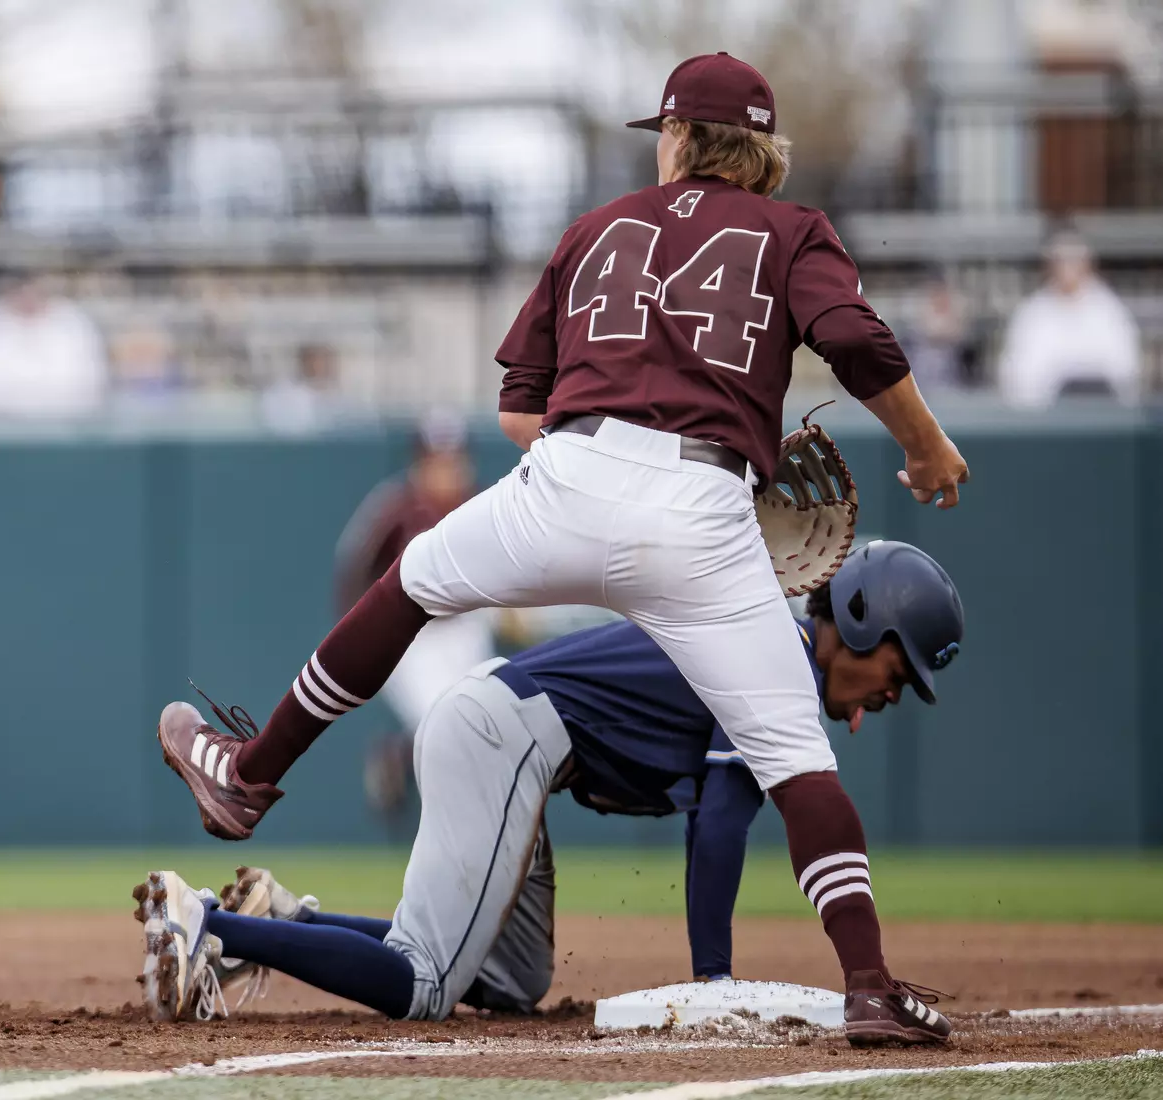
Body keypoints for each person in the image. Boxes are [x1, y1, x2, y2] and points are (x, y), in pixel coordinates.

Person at [153, 52, 969, 1042]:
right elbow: (859, 340)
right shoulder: (794, 229)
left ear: (676, 137)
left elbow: (516, 410)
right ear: (765, 153)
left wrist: (604, 466)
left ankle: (249, 773)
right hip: (703, 503)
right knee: (798, 760)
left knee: (409, 584)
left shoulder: (593, 229)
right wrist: (926, 445)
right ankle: (871, 982)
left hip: (568, 476)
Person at [136, 541, 963, 1047]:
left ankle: (284, 924)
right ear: (861, 622)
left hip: (513, 740)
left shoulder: (763, 645)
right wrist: (715, 984)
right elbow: (718, 828)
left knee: (510, 984)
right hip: (503, 734)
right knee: (424, 984)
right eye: (902, 669)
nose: (896, 693)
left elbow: (719, 818)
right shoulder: (772, 660)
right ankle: (207, 921)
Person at [332, 414, 493, 818]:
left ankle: (398, 757)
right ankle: (408, 767)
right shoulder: (395, 506)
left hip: (464, 628)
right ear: (419, 459)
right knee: (439, 723)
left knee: (477, 724)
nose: (446, 466)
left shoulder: (483, 502)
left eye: (452, 456)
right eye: (436, 457)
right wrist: (359, 633)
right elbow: (354, 565)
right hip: (411, 636)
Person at [995, 231, 1142, 407]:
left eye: (1074, 261)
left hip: (1103, 414)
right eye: (1061, 261)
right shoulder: (1031, 314)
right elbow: (1018, 375)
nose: (1067, 268)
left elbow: (1126, 367)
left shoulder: (1110, 311)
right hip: (1050, 420)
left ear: (1087, 264)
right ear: (1049, 266)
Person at [0, 273, 109, 418]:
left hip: (64, 428)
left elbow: (88, 381)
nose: (28, 298)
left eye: (34, 292)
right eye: (21, 292)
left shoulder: (73, 322)